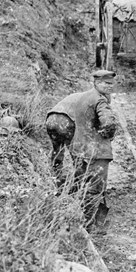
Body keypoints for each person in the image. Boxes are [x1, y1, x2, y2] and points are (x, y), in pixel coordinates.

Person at [46, 70, 118, 228]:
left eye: (111, 84)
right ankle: (88, 223)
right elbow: (108, 123)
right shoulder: (100, 100)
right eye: (106, 83)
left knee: (65, 158)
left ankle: (63, 184)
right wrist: (106, 133)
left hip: (53, 119)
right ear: (97, 84)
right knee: (95, 186)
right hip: (93, 147)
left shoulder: (84, 97)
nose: (110, 86)